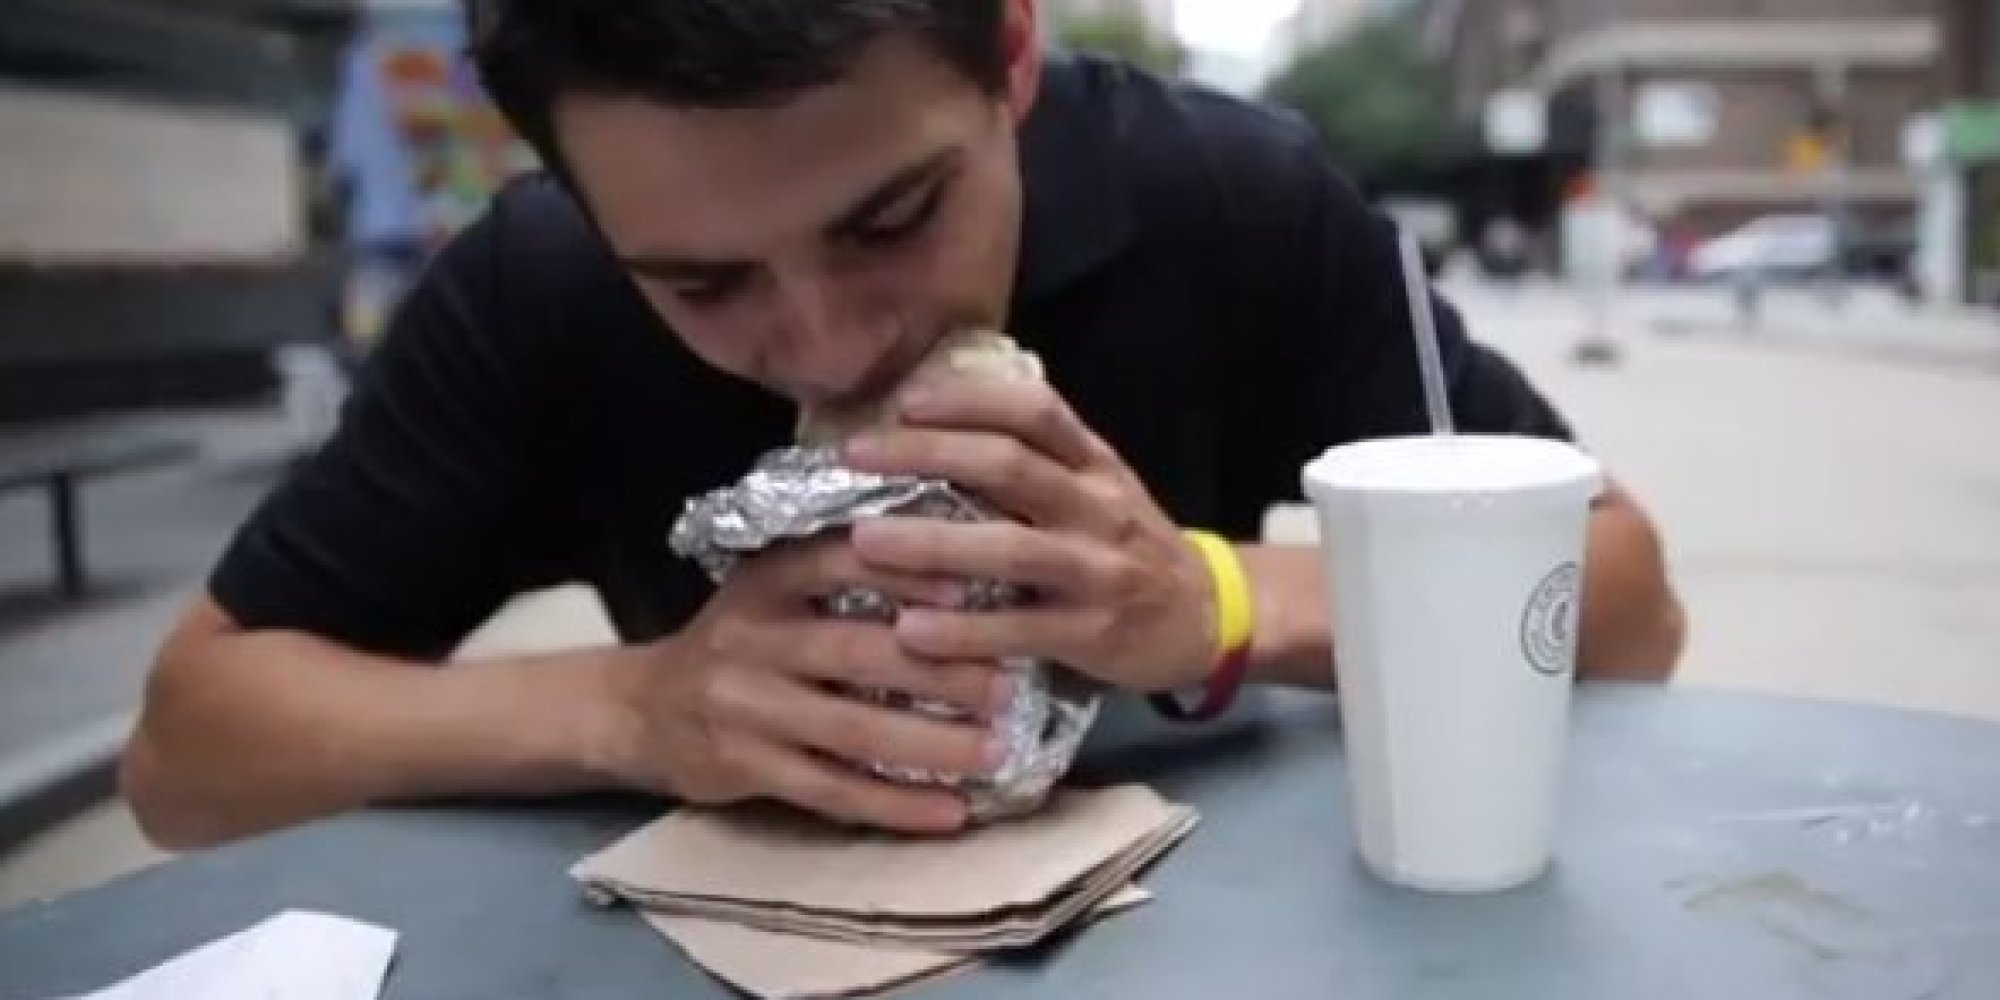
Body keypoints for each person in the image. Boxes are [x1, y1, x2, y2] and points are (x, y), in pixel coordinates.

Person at [124, 0, 1684, 850]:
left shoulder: (1228, 196)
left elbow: (1623, 603)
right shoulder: (533, 289)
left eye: (892, 220)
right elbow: (188, 753)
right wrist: (635, 706)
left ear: (1010, 54)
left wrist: (1206, 602)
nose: (828, 339)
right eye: (701, 282)